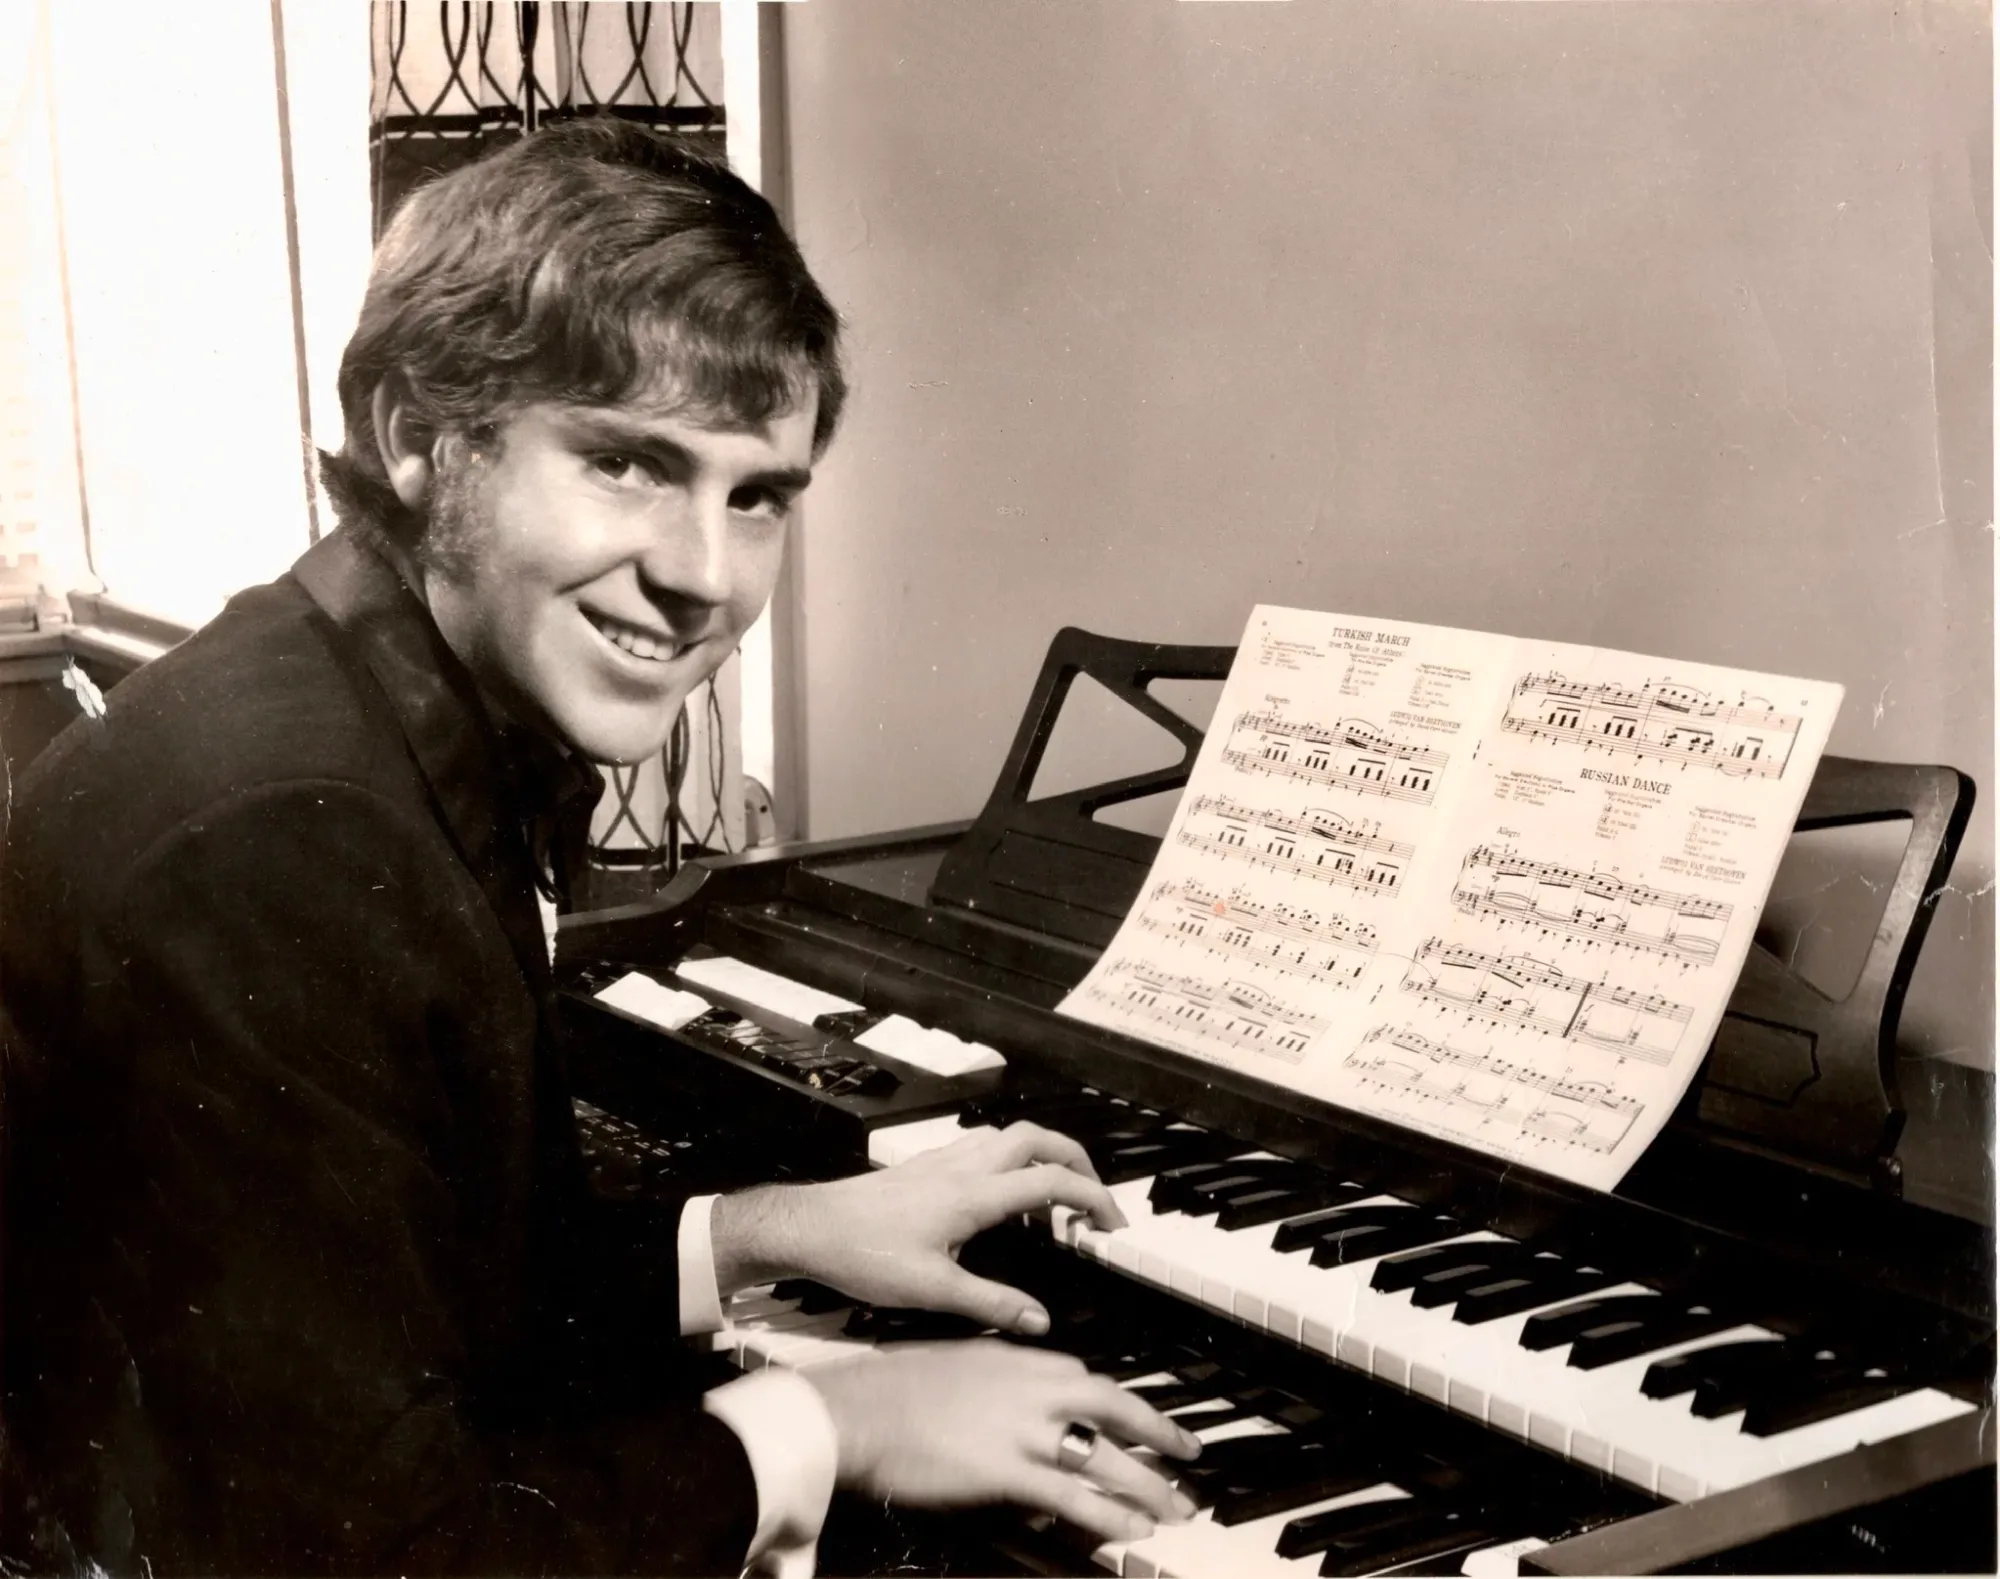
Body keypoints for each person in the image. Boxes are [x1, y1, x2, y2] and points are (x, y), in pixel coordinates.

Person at [0, 120, 1197, 1576]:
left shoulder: (347, 695)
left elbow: (401, 1283)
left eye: (757, 495)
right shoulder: (284, 839)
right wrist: (841, 1423)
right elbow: (374, 1550)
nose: (705, 577)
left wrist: (764, 1232)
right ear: (418, 439)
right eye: (628, 464)